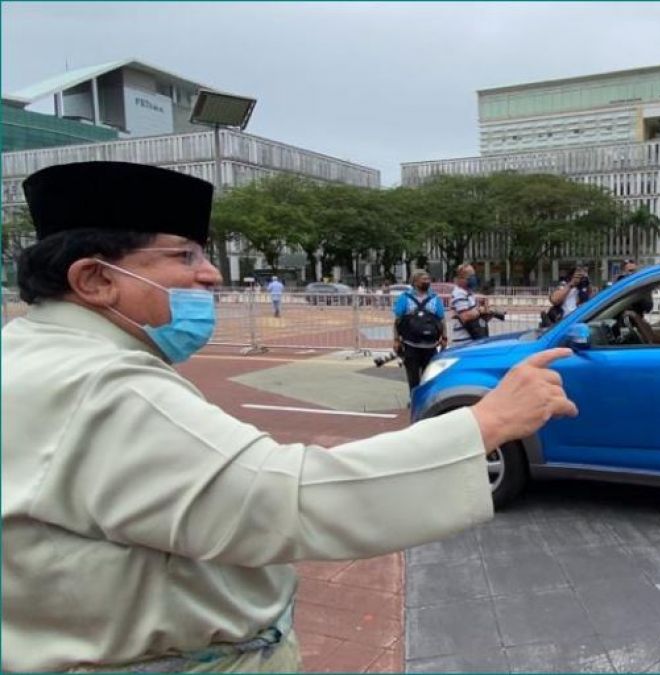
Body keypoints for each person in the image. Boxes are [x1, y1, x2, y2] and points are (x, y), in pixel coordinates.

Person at [1, 161, 578, 673]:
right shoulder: (102, 386)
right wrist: (486, 424)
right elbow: (284, 498)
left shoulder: (32, 354)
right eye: (185, 255)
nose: (211, 274)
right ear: (94, 279)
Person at [393, 270, 447, 392]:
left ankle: (426, 399)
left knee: (429, 376)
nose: (427, 282)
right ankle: (414, 399)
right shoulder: (404, 298)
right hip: (410, 344)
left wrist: (444, 338)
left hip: (431, 345)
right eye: (424, 279)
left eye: (428, 279)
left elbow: (442, 319)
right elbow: (397, 321)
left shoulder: (435, 298)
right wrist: (396, 340)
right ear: (415, 281)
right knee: (413, 377)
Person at [450, 263, 492, 346]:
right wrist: (480, 310)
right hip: (464, 342)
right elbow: (465, 316)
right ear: (461, 278)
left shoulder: (469, 293)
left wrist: (486, 313)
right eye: (470, 276)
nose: (473, 278)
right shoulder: (459, 293)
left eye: (474, 275)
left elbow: (475, 317)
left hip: (473, 339)